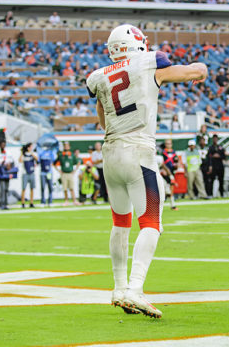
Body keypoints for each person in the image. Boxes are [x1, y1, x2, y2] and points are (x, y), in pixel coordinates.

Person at [86, 23, 207, 318]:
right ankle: (135, 289)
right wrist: (200, 67)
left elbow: (102, 119)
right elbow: (195, 72)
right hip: (138, 149)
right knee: (152, 222)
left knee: (120, 222)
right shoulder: (149, 61)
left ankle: (118, 287)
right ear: (137, 43)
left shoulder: (98, 76)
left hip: (110, 152)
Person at [55, 142, 80, 206]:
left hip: (70, 173)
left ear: (69, 147)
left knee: (71, 188)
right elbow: (54, 163)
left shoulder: (71, 155)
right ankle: (66, 201)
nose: (66, 147)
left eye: (67, 146)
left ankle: (74, 200)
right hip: (64, 174)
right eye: (65, 146)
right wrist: (59, 171)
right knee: (65, 188)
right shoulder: (61, 155)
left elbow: (78, 162)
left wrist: (74, 171)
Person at [20, 142, 38, 208]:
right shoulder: (24, 155)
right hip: (25, 173)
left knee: (32, 188)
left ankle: (31, 202)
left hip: (32, 172)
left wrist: (32, 153)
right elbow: (20, 160)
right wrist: (22, 152)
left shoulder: (32, 154)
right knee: (24, 188)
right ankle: (23, 203)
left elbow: (37, 159)